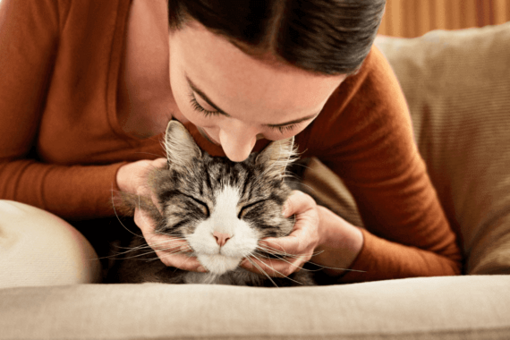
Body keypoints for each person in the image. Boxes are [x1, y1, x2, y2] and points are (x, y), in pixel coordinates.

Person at [0, 0, 462, 286]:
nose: (238, 150)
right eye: (204, 104)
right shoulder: (64, 5)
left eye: (287, 124)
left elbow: (442, 267)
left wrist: (326, 235)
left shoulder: (357, 89)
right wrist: (121, 184)